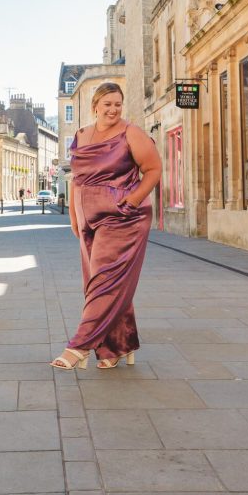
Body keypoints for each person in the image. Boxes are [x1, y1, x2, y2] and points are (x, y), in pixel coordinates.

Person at [51, 82, 162, 371]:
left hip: (124, 218)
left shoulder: (131, 133)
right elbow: (77, 179)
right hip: (90, 220)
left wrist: (132, 201)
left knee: (103, 282)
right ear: (95, 106)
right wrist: (75, 218)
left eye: (118, 104)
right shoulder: (81, 135)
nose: (113, 109)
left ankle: (79, 346)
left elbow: (154, 170)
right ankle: (116, 347)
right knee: (104, 283)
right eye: (108, 104)